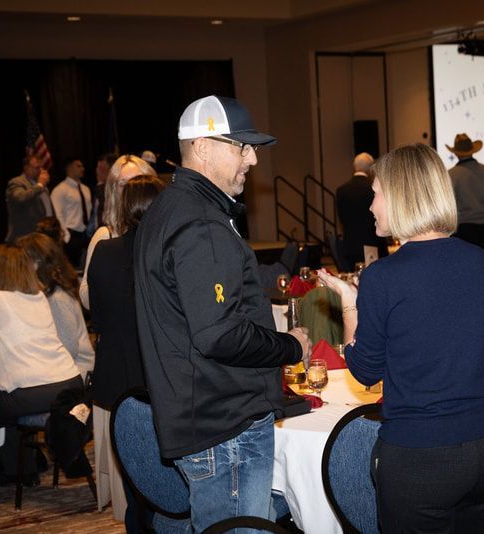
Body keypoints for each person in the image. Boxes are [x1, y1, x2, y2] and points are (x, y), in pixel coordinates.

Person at [134, 95, 311, 531]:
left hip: (206, 416)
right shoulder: (200, 223)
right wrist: (291, 346)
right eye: (241, 146)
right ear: (204, 147)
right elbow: (219, 334)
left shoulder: (170, 209)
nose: (252, 159)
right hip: (225, 426)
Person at [318, 143, 484, 533]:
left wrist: (350, 305)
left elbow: (365, 372)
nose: (371, 206)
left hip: (421, 454)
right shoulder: (477, 261)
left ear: (402, 196)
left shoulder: (384, 276)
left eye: (377, 194)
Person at [0, 243, 82, 482]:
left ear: (2, 269)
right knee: (3, 395)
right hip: (70, 383)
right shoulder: (38, 296)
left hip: (36, 393)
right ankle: (23, 466)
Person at [87, 175, 165, 526]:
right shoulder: (169, 254)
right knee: (169, 486)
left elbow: (98, 322)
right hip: (162, 382)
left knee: (136, 489)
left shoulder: (104, 251)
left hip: (117, 378)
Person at [78, 154, 156, 309]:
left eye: (137, 181)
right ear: (114, 190)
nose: (131, 189)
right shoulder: (105, 236)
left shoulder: (162, 232)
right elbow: (86, 298)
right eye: (123, 183)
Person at [15, 232, 94, 382]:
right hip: (61, 370)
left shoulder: (58, 299)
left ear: (36, 264)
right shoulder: (44, 294)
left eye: (21, 263)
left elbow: (68, 349)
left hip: (75, 372)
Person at [446, 133, 484, 250]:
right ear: (472, 151)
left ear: (456, 153)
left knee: (463, 266)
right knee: (482, 264)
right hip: (482, 231)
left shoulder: (450, 175)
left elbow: (446, 205)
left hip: (460, 231)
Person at [336, 152, 388, 269]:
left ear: (354, 167)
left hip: (350, 245)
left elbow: (342, 218)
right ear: (370, 169)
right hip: (372, 245)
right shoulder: (373, 188)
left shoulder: (342, 190)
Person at [50, 158, 92, 268]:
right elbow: (57, 214)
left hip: (85, 235)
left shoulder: (86, 189)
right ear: (69, 168)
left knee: (86, 267)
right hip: (70, 235)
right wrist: (66, 237)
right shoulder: (60, 189)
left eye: (82, 166)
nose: (82, 169)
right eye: (78, 166)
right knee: (71, 269)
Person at [5, 155, 54, 242]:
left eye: (41, 167)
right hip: (24, 236)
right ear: (26, 168)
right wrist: (40, 185)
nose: (40, 171)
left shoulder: (41, 185)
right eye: (37, 168)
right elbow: (20, 198)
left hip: (43, 234)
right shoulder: (17, 182)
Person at [92, 153, 118, 230]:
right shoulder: (98, 188)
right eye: (97, 167)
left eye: (101, 168)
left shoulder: (113, 190)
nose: (97, 171)